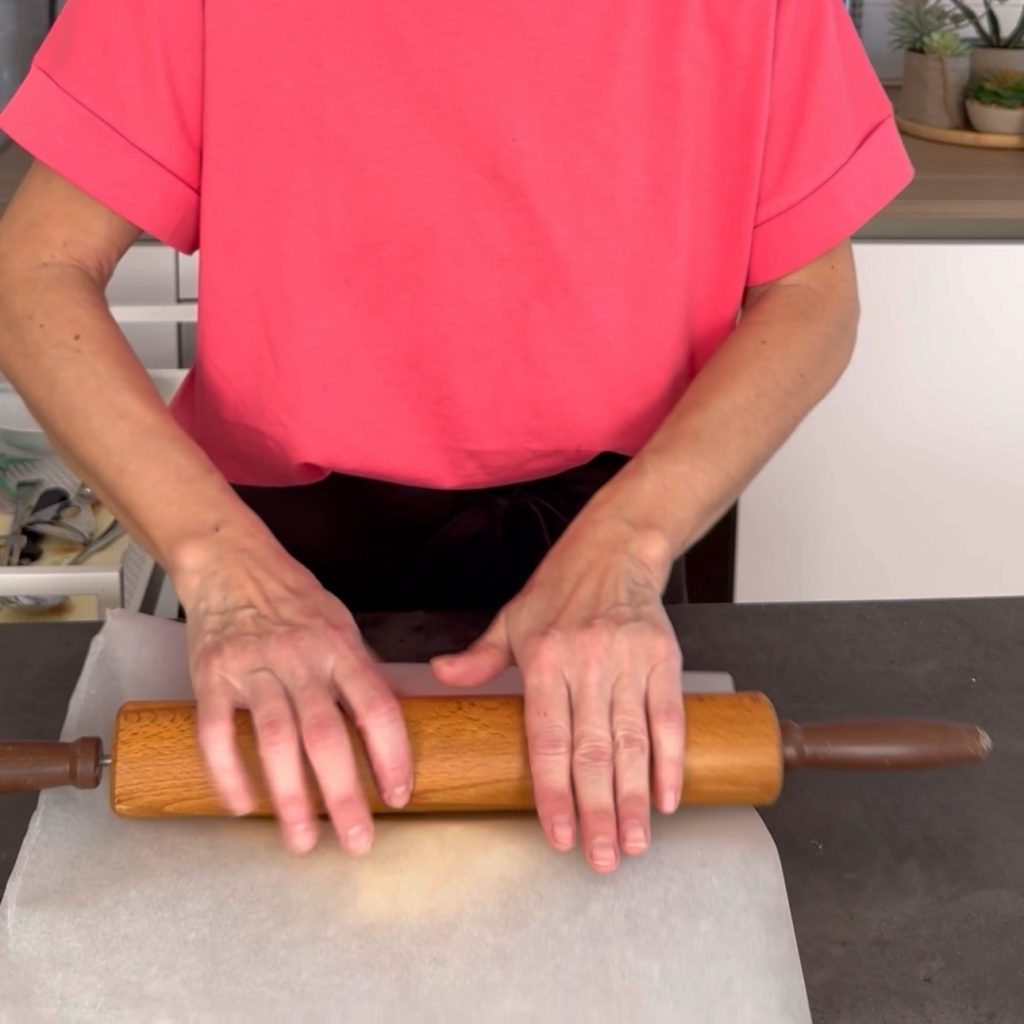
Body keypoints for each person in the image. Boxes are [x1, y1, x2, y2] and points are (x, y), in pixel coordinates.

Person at [0, 0, 912, 874]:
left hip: (610, 558)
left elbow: (809, 296)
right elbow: (37, 268)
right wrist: (221, 566)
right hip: (265, 564)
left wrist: (632, 542)